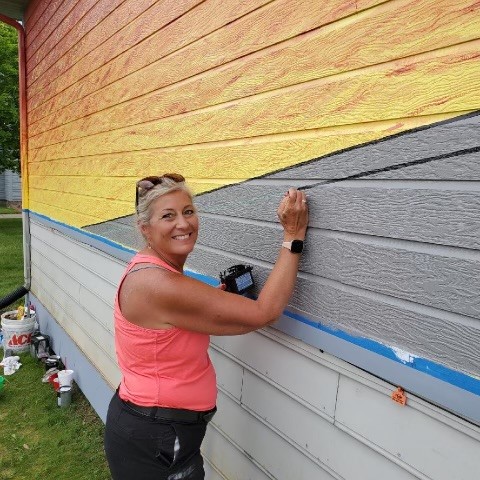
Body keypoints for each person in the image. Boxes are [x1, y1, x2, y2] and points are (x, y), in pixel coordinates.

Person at [104, 173, 308, 480]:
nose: (183, 224)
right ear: (145, 228)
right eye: (168, 216)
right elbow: (265, 312)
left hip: (152, 429)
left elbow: (183, 324)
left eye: (188, 211)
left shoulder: (150, 271)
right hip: (156, 437)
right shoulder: (158, 284)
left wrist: (215, 304)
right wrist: (293, 234)